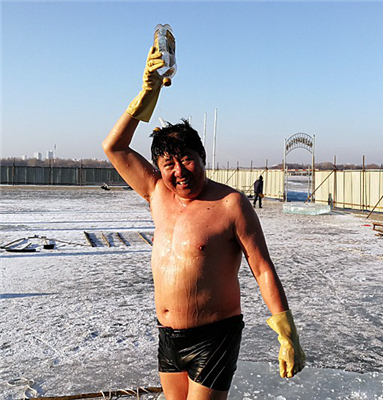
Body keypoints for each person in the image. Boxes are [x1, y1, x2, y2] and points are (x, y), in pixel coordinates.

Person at [102, 45, 305, 400]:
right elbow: (114, 147)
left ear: (202, 157)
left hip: (215, 336)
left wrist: (287, 332)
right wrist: (147, 94)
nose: (179, 172)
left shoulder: (231, 205)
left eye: (187, 160)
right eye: (169, 164)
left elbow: (263, 269)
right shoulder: (156, 193)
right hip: (168, 336)